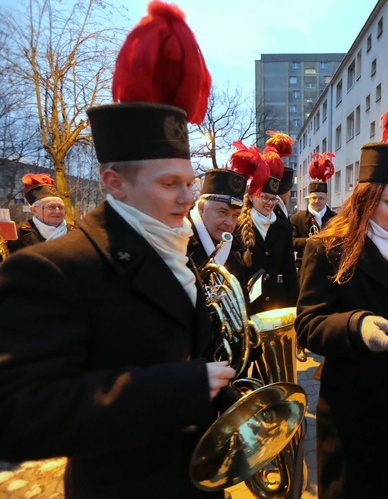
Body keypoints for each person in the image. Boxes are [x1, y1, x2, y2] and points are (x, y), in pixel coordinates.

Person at [0, 2, 235, 497]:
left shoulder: (173, 241)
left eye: (190, 183)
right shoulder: (51, 269)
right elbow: (19, 414)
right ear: (114, 183)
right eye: (171, 183)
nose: (188, 197)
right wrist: (179, 389)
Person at [295, 80, 388, 498]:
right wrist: (357, 327)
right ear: (366, 199)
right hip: (353, 413)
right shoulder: (326, 247)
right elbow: (308, 325)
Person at [240, 152, 299, 313]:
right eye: (264, 197)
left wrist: (295, 307)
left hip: (278, 305)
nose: (269, 203)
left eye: (273, 199)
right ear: (252, 197)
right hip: (249, 307)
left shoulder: (283, 228)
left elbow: (289, 271)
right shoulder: (238, 226)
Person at [188, 168, 250, 290]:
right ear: (201, 208)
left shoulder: (237, 251)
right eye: (222, 212)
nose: (230, 223)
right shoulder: (180, 244)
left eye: (235, 215)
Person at [7, 173, 75, 253]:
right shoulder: (17, 234)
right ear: (34, 210)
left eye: (61, 207)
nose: (57, 211)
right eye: (51, 207)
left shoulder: (76, 233)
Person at [290, 152, 337, 269]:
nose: (317, 201)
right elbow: (291, 242)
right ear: (309, 198)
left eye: (321, 198)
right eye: (314, 198)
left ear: (326, 199)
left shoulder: (336, 218)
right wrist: (310, 241)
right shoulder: (297, 218)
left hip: (329, 267)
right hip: (305, 266)